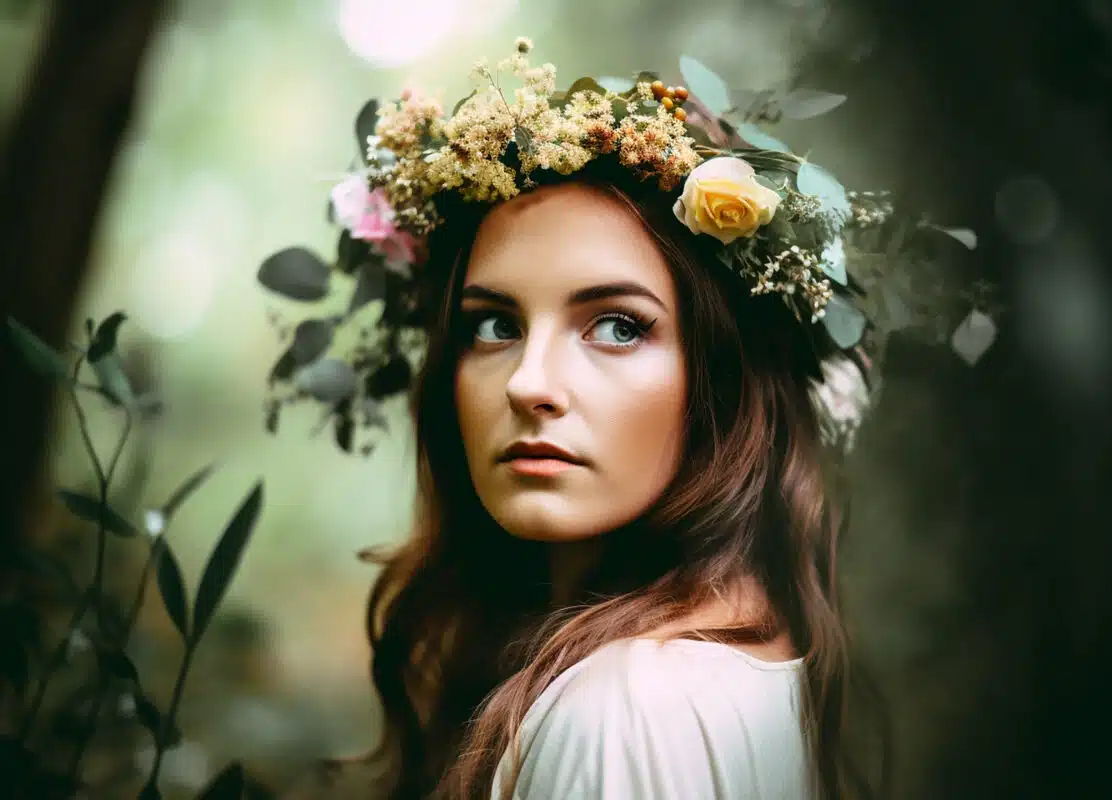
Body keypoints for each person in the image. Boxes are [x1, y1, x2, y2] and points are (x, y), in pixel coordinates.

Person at [264, 36, 922, 800]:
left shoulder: (622, 710)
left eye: (617, 326)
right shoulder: (751, 659)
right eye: (494, 326)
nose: (529, 384)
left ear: (721, 378)